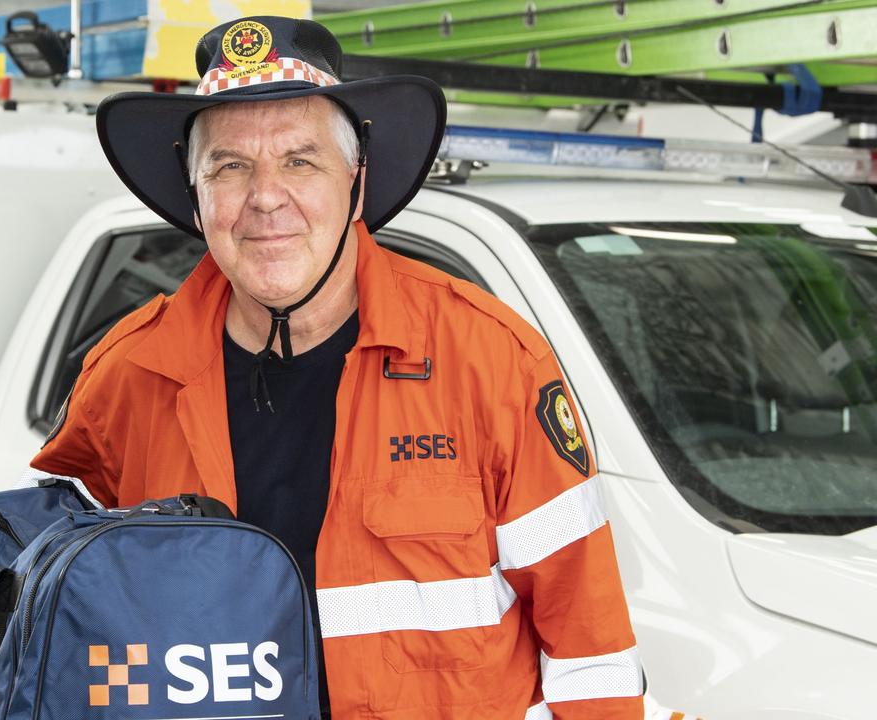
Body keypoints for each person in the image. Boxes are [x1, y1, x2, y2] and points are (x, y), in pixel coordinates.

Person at [33, 15, 644, 719]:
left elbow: (590, 653)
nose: (265, 197)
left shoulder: (491, 363)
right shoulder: (128, 376)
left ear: (356, 183)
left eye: (300, 161)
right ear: (196, 197)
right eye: (229, 167)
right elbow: (67, 625)